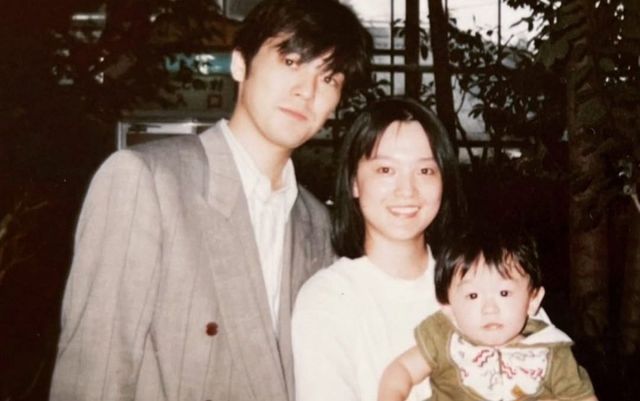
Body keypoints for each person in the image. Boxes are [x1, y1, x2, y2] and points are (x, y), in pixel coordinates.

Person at [49, 1, 372, 400]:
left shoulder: (317, 224)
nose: (306, 91)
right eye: (290, 62)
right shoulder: (148, 182)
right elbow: (95, 377)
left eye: (328, 78)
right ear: (240, 64)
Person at [291, 97, 466, 401]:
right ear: (354, 182)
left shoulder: (481, 280)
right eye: (386, 170)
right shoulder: (327, 299)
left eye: (425, 171)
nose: (407, 190)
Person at [378, 224, 597, 401]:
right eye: (473, 295)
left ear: (533, 300)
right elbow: (402, 370)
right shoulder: (443, 336)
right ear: (448, 306)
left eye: (504, 293)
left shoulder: (552, 351)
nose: (489, 308)